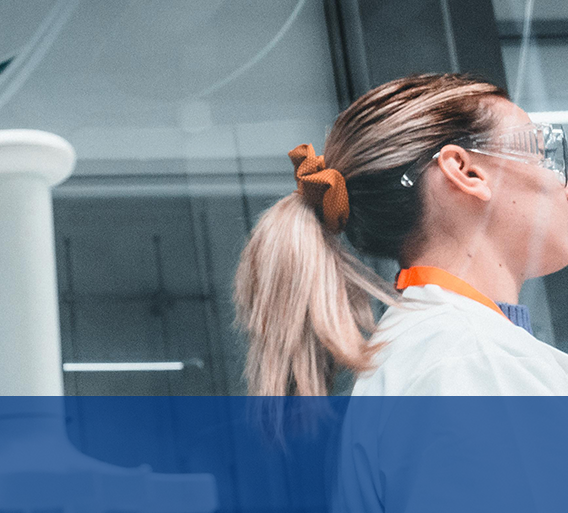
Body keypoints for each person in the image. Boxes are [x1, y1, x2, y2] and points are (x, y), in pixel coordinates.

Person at [234, 73, 568, 397]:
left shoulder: (455, 350)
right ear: (465, 172)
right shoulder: (470, 361)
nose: (561, 183)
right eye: (541, 152)